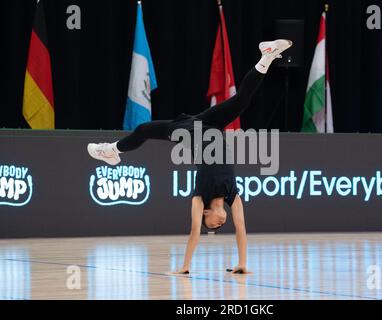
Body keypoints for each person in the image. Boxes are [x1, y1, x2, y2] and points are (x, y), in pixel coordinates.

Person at [87, 39, 293, 274]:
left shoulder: (199, 197)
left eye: (213, 224)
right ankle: (266, 56)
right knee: (242, 100)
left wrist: (184, 267)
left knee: (144, 130)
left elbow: (194, 232)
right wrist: (243, 263)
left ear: (206, 212)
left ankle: (112, 150)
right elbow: (241, 228)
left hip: (189, 132)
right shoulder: (232, 194)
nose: (218, 225)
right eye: (218, 226)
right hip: (210, 124)